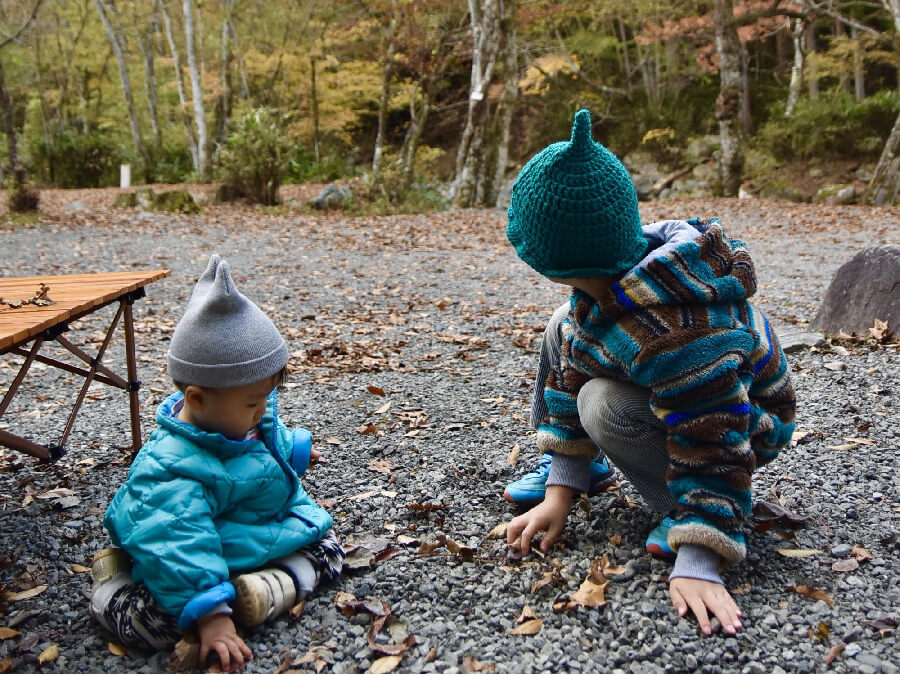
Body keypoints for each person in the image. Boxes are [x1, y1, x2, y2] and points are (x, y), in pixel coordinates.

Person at [503, 109, 796, 635]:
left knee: (603, 405)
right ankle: (585, 468)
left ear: (556, 261)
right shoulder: (605, 282)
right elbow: (569, 371)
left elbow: (716, 433)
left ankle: (679, 509)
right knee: (562, 332)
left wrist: (701, 556)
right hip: (685, 393)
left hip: (741, 420)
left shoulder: (676, 333)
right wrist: (560, 490)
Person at [89, 254, 343, 671]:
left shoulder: (235, 418)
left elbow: (262, 441)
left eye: (265, 400)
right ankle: (111, 586)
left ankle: (265, 587)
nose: (262, 412)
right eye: (252, 403)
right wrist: (212, 620)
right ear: (196, 399)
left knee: (329, 546)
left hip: (243, 536)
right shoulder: (171, 471)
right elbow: (180, 542)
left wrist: (296, 449)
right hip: (183, 558)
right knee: (154, 625)